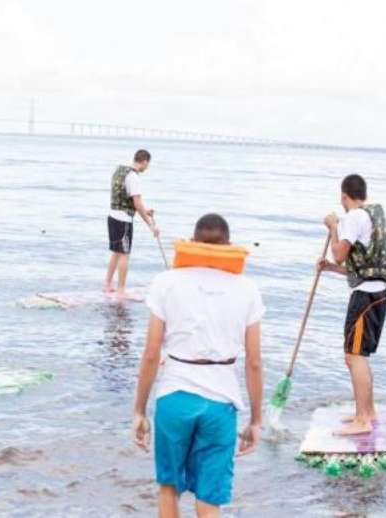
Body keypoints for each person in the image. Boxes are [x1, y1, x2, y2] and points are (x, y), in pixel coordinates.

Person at [132, 214, 264, 517]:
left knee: (168, 488)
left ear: (192, 243)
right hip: (221, 402)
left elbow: (151, 354)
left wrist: (139, 411)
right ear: (228, 245)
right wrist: (256, 421)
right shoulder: (246, 289)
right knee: (209, 496)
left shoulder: (166, 282)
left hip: (174, 395)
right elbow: (254, 362)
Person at [318, 174, 386, 435]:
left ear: (344, 196)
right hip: (378, 292)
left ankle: (362, 419)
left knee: (354, 357)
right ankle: (368, 411)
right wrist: (329, 268)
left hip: (365, 298)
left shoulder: (353, 217)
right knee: (358, 356)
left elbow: (339, 254)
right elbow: (362, 267)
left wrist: (332, 226)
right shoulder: (371, 215)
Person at [104, 149, 159, 298]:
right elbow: (136, 203)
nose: (147, 168)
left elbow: (126, 198)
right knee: (124, 255)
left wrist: (145, 210)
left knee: (116, 252)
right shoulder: (133, 177)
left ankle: (107, 285)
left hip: (112, 216)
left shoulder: (119, 170)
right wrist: (150, 225)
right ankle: (121, 290)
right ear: (145, 161)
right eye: (148, 164)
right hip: (124, 221)